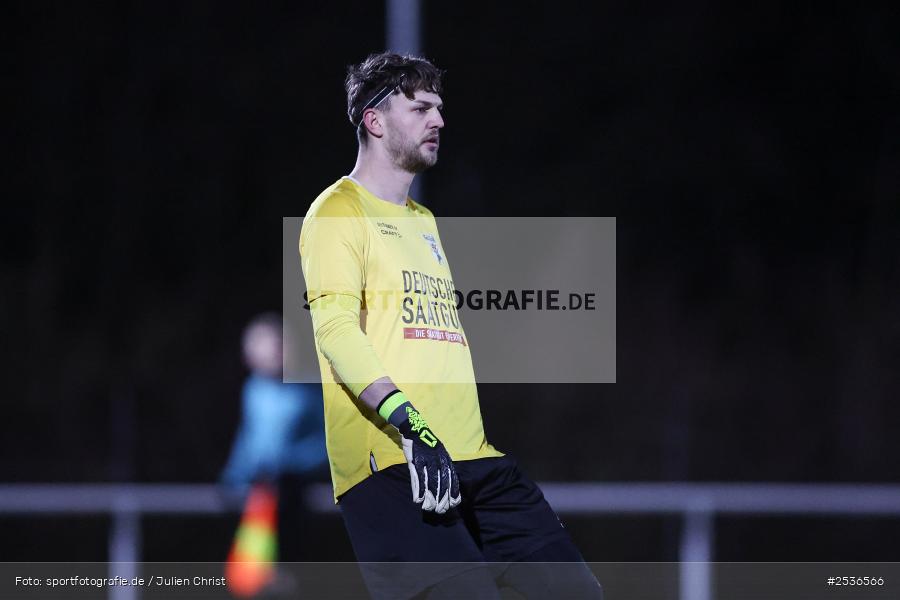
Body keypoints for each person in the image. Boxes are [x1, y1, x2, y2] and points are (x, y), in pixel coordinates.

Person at [299, 53, 603, 599]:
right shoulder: (337, 212)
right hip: (393, 463)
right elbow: (336, 330)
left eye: (439, 108)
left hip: (473, 459)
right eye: (420, 108)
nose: (438, 120)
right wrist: (411, 424)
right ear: (374, 120)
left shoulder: (425, 222)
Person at [220, 312, 328, 562]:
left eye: (276, 344)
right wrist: (233, 477)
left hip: (294, 490)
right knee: (253, 566)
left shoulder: (307, 392)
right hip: (258, 492)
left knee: (292, 557)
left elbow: (325, 443)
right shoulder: (253, 390)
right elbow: (248, 441)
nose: (273, 352)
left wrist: (290, 464)